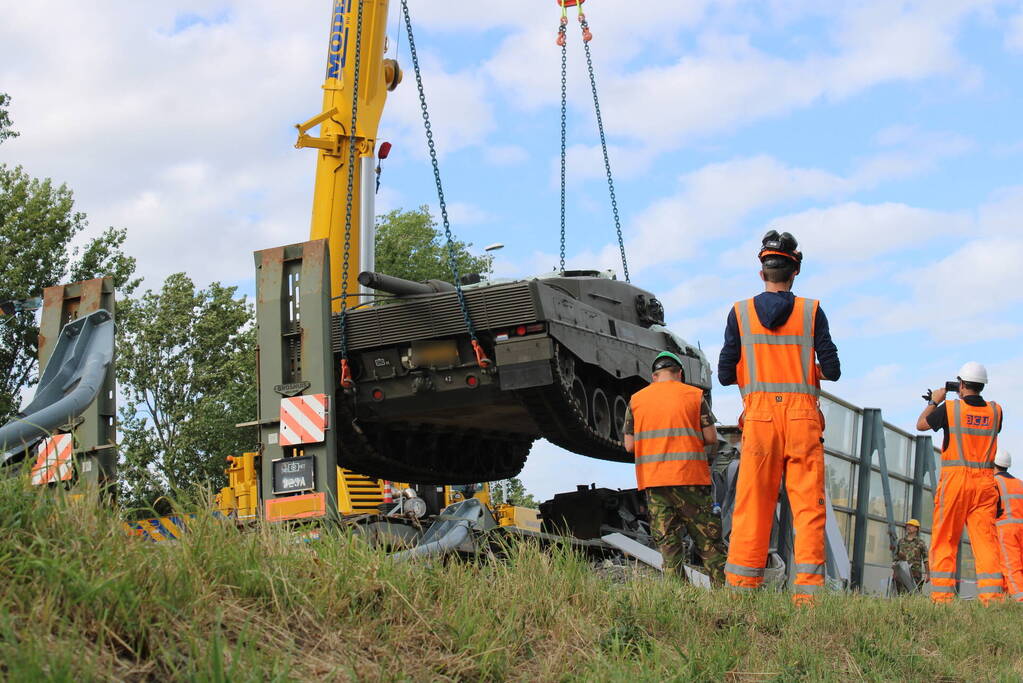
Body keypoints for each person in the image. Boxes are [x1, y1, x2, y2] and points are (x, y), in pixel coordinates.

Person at [717, 230, 840, 606]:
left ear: (762, 273)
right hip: (803, 420)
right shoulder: (812, 311)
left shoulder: (739, 313)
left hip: (759, 421)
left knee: (753, 504)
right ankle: (808, 597)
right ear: (794, 271)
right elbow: (832, 370)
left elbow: (724, 375)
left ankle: (741, 589)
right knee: (807, 508)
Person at [623, 351, 726, 585]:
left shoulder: (636, 400)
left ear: (654, 376)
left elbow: (629, 445)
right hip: (690, 478)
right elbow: (711, 437)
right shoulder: (694, 395)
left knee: (668, 543)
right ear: (679, 373)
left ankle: (679, 596)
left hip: (655, 481)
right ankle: (724, 593)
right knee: (707, 540)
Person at [916, 362, 1004, 605]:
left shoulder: (951, 408)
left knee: (945, 538)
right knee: (986, 542)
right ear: (982, 385)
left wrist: (934, 401)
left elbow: (921, 425)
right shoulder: (996, 412)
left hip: (956, 481)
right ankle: (992, 597)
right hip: (985, 484)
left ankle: (943, 597)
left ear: (961, 384)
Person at [992, 450, 1023, 601]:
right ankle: (1005, 600)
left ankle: (1019, 601)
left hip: (1006, 529)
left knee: (1011, 567)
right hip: (1020, 529)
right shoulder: (1019, 483)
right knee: (1017, 566)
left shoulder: (994, 482)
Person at [892, 519, 929, 593]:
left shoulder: (920, 543)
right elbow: (896, 558)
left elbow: (926, 559)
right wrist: (894, 572)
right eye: (907, 525)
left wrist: (928, 573)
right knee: (901, 595)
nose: (908, 527)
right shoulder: (901, 542)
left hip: (915, 574)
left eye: (911, 526)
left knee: (914, 594)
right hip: (901, 574)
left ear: (916, 529)